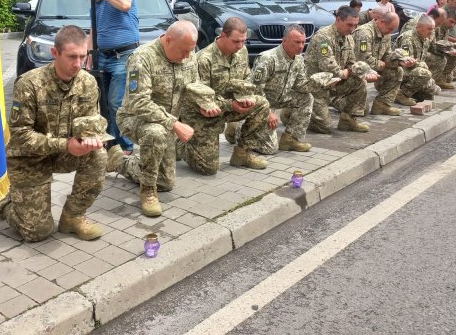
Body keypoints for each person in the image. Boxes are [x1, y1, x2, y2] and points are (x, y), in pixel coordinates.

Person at [0, 26, 108, 242]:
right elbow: (20, 135)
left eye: (83, 56)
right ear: (55, 53)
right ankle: (2, 202)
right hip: (29, 159)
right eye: (72, 57)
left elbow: (91, 123)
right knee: (38, 232)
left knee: (98, 156)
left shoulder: (88, 83)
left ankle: (73, 216)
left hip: (64, 153)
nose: (78, 63)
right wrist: (66, 145)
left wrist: (91, 140)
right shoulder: (30, 83)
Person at [108, 21, 221, 217]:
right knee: (156, 132)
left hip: (167, 122)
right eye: (184, 51)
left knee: (166, 182)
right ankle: (148, 191)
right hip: (134, 118)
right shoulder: (141, 58)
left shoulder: (188, 54)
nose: (187, 56)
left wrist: (203, 105)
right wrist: (175, 124)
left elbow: (193, 85)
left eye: (190, 51)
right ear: (168, 40)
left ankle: (119, 161)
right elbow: (139, 102)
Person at [181, 17, 271, 172]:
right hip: (203, 114)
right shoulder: (204, 59)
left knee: (261, 104)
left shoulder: (241, 51)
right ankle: (181, 145)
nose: (241, 45)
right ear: (223, 36)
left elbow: (245, 78)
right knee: (209, 169)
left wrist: (246, 99)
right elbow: (202, 99)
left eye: (243, 41)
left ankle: (242, 154)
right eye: (236, 41)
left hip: (229, 107)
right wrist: (231, 104)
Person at [77, 0, 139, 153]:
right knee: (102, 102)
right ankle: (112, 143)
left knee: (115, 102)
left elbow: (125, 4)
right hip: (102, 56)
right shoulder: (95, 4)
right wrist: (89, 54)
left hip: (123, 56)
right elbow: (93, 29)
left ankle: (125, 145)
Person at [305, 6, 377, 133]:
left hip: (335, 82)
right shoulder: (323, 37)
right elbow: (329, 67)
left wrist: (363, 72)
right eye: (349, 24)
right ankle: (292, 111)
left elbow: (351, 63)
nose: (352, 29)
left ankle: (347, 120)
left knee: (360, 82)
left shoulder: (348, 38)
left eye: (355, 25)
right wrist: (347, 72)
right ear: (338, 20)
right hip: (317, 87)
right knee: (325, 127)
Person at [251, 25, 315, 152]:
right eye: (297, 42)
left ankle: (290, 139)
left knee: (306, 98)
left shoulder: (299, 59)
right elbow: (255, 90)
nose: (301, 46)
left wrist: (321, 83)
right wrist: (268, 112)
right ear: (284, 40)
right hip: (262, 103)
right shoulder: (268, 58)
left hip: (281, 98)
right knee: (269, 149)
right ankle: (237, 128)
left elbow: (301, 85)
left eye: (303, 42)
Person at [353, 11, 403, 115]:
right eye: (390, 29)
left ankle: (382, 105)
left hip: (375, 69)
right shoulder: (364, 33)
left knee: (398, 71)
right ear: (382, 22)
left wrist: (398, 61)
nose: (390, 32)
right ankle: (336, 99)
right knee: (362, 111)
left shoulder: (386, 34)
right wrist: (382, 65)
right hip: (357, 72)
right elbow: (364, 59)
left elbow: (387, 55)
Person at [394, 15, 441, 105]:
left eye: (433, 29)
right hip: (399, 70)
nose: (432, 32)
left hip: (412, 69)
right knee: (424, 74)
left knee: (433, 90)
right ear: (418, 27)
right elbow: (407, 61)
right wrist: (427, 74)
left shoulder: (425, 38)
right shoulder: (408, 38)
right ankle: (402, 94)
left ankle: (418, 91)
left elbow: (432, 51)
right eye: (429, 29)